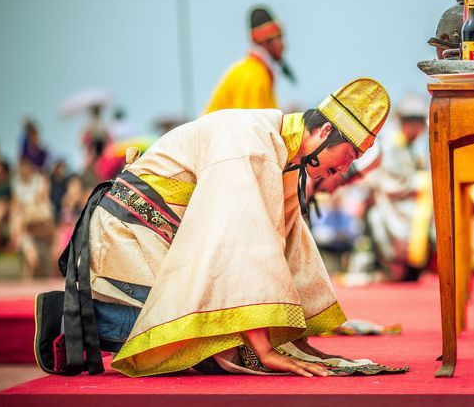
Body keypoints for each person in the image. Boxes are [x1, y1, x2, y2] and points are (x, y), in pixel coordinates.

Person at [34, 78, 391, 378]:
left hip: (168, 238)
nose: (344, 169)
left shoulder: (282, 153)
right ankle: (76, 317)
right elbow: (243, 246)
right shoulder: (254, 147)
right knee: (199, 343)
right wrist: (267, 350)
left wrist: (294, 337)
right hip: (133, 233)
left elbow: (286, 246)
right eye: (349, 155)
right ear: (325, 130)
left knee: (231, 349)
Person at [364, 94, 432, 281]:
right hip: (391, 201)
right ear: (406, 123)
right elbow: (390, 182)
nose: (418, 129)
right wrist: (416, 184)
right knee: (378, 219)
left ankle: (415, 266)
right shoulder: (391, 144)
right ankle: (392, 268)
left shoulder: (413, 147)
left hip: (409, 201)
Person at [203, 6, 295, 113]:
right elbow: (251, 125)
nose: (283, 45)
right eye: (279, 38)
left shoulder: (255, 70)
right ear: (266, 41)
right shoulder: (254, 75)